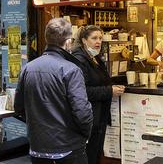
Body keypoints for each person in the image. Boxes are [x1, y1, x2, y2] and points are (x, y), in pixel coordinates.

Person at [14, 18, 93, 164]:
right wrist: (84, 136)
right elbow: (82, 112)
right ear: (68, 41)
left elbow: (18, 107)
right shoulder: (71, 70)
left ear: (46, 39)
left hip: (37, 148)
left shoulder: (27, 68)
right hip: (69, 148)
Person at [71, 26, 125, 164]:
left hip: (99, 116)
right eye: (94, 38)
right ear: (84, 40)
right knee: (89, 155)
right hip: (89, 117)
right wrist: (109, 91)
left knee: (95, 154)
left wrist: (116, 84)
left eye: (100, 38)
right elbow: (83, 91)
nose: (98, 41)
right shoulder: (80, 60)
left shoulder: (95, 57)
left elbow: (102, 80)